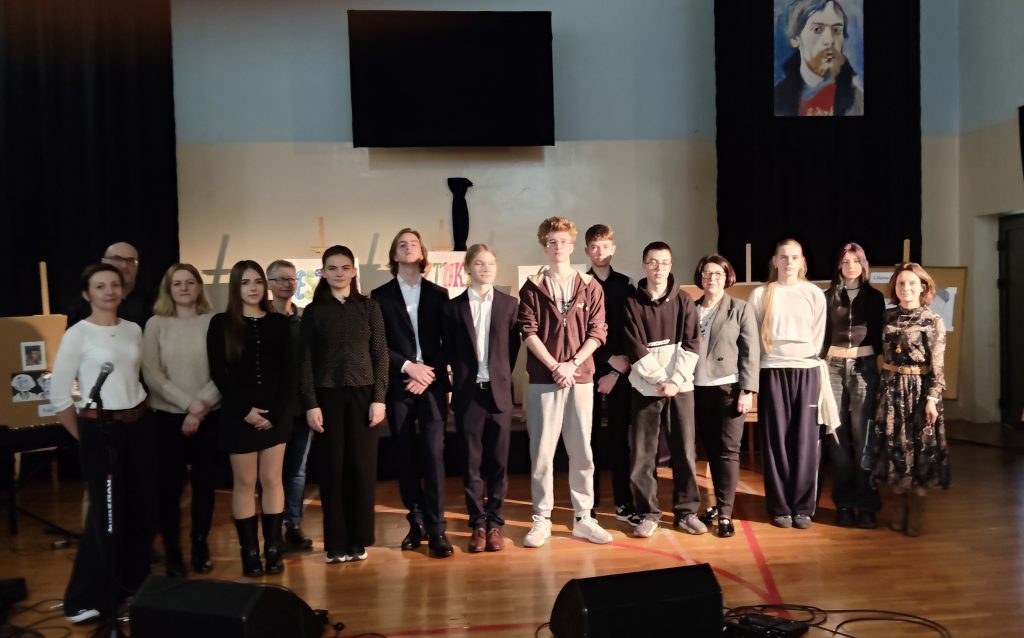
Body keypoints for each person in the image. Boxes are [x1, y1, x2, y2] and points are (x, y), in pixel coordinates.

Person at [50, 263, 156, 625]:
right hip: (100, 429)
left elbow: (135, 378)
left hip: (137, 425)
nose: (109, 291)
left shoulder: (133, 329)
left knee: (141, 511)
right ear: (87, 294)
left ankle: (131, 589)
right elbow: (58, 395)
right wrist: (85, 437)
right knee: (106, 516)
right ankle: (84, 598)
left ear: (122, 291)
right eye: (100, 286)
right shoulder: (77, 334)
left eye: (114, 284)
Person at [517, 216, 612, 548]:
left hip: (580, 379)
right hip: (544, 379)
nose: (558, 247)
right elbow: (528, 331)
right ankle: (542, 518)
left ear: (573, 246)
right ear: (544, 246)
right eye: (552, 242)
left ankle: (583, 518)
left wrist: (572, 365)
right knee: (542, 453)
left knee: (582, 450)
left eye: (564, 242)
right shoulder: (532, 287)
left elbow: (598, 332)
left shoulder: (590, 285)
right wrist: (555, 366)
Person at [301, 245, 388, 563]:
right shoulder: (313, 312)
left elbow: (381, 354)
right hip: (327, 397)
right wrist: (311, 403)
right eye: (332, 268)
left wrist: (379, 399)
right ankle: (336, 543)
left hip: (365, 397)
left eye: (345, 267)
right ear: (323, 272)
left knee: (362, 471)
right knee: (332, 470)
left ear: (353, 271)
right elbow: (305, 362)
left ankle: (358, 541)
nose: (339, 273)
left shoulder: (369, 307)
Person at [371, 229, 454, 558]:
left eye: (414, 243)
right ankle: (415, 521)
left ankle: (437, 528)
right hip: (399, 385)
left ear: (422, 253)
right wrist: (408, 367)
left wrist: (427, 372)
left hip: (431, 384)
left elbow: (449, 342)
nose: (408, 247)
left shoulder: (439, 294)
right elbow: (378, 345)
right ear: (394, 255)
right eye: (402, 244)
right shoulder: (379, 296)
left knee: (433, 455)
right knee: (405, 454)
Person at [207, 260, 292, 576]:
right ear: (235, 287)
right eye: (245, 282)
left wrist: (275, 414)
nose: (253, 288)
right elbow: (219, 373)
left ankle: (273, 549)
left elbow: (288, 372)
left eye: (257, 281)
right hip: (238, 415)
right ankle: (250, 552)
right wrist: (244, 411)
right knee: (244, 483)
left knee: (272, 480)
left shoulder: (279, 323)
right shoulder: (221, 323)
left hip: (275, 415)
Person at [749, 239, 835, 529]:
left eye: (794, 257)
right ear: (775, 261)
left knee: (806, 441)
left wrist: (802, 357)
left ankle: (803, 506)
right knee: (777, 441)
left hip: (807, 372)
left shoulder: (813, 294)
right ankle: (780, 507)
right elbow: (754, 338)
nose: (789, 262)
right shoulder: (761, 294)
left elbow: (818, 336)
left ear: (802, 262)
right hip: (772, 372)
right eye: (784, 257)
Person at [142, 264, 221, 577]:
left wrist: (200, 408)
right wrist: (189, 405)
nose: (184, 288)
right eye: (177, 283)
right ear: (169, 289)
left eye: (190, 282)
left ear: (199, 287)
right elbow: (151, 373)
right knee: (169, 489)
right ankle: (173, 549)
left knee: (205, 487)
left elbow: (224, 370)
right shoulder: (155, 324)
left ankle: (200, 544)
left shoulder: (213, 322)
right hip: (167, 418)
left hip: (209, 416)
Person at [443, 244, 521, 553]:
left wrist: (499, 376)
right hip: (468, 395)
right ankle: (477, 523)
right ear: (467, 267)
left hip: (499, 395)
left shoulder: (510, 305)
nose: (485, 268)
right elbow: (449, 349)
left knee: (498, 463)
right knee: (471, 464)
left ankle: (495, 523)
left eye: (489, 263)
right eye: (478, 263)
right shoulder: (453, 307)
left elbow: (512, 349)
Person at [622, 242, 702, 539]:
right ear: (644, 265)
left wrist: (675, 381)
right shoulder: (631, 303)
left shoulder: (684, 301)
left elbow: (692, 344)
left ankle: (686, 512)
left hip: (680, 388)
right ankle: (648, 513)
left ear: (671, 265)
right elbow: (634, 347)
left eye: (664, 262)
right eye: (653, 262)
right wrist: (658, 380)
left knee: (685, 451)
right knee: (643, 455)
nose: (659, 268)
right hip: (646, 389)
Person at [868, 263, 950, 537]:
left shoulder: (932, 319)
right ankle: (900, 506)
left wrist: (932, 398)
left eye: (912, 283)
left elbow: (938, 364)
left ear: (923, 286)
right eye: (901, 283)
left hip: (919, 391)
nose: (906, 288)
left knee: (919, 451)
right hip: (891, 389)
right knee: (895, 449)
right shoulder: (887, 316)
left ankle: (916, 510)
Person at [691, 255, 759, 539]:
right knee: (707, 451)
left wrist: (748, 390)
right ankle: (716, 505)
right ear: (700, 277)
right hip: (695, 389)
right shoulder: (691, 308)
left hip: (728, 389)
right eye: (707, 273)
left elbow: (751, 351)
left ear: (727, 277)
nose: (712, 278)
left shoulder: (740, 308)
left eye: (718, 273)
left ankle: (725, 514)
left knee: (728, 452)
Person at [821, 243, 884, 528]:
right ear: (838, 265)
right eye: (845, 261)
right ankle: (844, 504)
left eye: (856, 261)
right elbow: (821, 337)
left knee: (864, 438)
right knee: (837, 437)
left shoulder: (874, 298)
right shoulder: (826, 297)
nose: (850, 266)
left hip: (864, 368)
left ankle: (867, 505)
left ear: (863, 265)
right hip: (832, 368)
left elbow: (880, 339)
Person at [583, 224, 639, 526]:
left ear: (613, 249)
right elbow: (580, 333)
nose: (600, 251)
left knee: (619, 439)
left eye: (605, 246)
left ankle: (623, 501)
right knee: (587, 439)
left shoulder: (626, 285)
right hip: (589, 369)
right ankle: (588, 504)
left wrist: (617, 369)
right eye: (594, 246)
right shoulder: (580, 284)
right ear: (586, 250)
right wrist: (605, 361)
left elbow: (633, 331)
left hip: (621, 372)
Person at [266, 259, 314, 551]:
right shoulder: (259, 318)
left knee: (297, 470)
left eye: (291, 279)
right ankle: (271, 528)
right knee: (270, 474)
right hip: (270, 411)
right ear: (268, 283)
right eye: (280, 279)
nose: (286, 284)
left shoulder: (306, 319)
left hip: (300, 407)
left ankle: (292, 525)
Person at [774, 0, 863, 117]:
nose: (829, 40)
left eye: (836, 30)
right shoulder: (778, 98)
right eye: (817, 29)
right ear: (795, 40)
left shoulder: (856, 100)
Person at [68, 241, 152, 328]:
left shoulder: (151, 303)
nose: (124, 265)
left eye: (131, 260)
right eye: (117, 259)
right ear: (104, 262)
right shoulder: (81, 306)